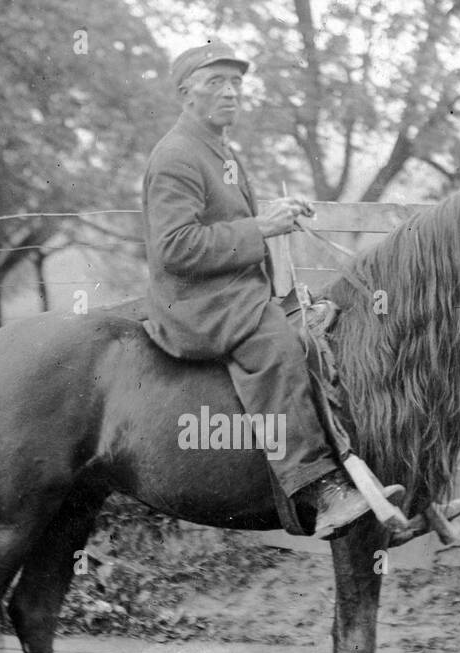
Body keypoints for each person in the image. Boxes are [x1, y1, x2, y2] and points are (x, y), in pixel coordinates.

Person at [141, 40, 394, 538]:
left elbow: (234, 222)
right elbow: (173, 248)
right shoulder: (176, 155)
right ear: (185, 92)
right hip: (197, 303)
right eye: (216, 82)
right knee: (280, 345)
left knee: (327, 320)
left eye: (236, 82)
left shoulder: (216, 147)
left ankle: (359, 468)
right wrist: (261, 228)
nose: (231, 91)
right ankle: (316, 488)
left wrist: (275, 219)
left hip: (232, 289)